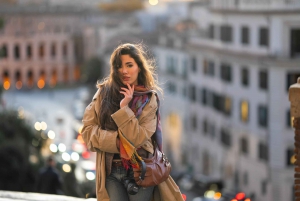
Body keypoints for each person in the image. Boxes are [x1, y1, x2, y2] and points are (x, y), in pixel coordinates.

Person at [81, 43, 185, 201]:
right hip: (111, 171)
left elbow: (138, 138)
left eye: (129, 65)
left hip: (142, 169)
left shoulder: (149, 99)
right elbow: (88, 134)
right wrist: (117, 142)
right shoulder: (102, 94)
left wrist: (124, 109)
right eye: (119, 66)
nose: (124, 70)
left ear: (139, 67)